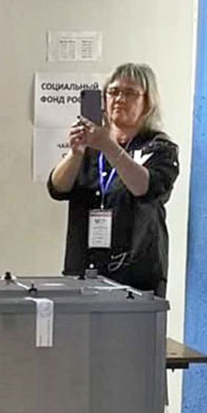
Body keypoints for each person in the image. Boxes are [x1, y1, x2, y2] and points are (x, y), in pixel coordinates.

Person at [47, 63, 180, 297]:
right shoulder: (91, 147)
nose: (119, 99)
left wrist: (108, 146)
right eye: (113, 92)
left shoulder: (159, 148)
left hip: (136, 275)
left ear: (148, 102)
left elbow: (144, 188)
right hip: (84, 269)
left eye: (130, 93)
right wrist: (76, 153)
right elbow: (57, 188)